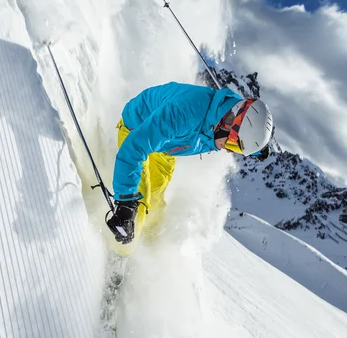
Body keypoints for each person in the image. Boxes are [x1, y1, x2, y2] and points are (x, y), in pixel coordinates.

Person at [106, 81, 273, 247]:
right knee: (139, 206)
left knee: (156, 208)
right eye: (231, 145)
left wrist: (259, 149)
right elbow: (135, 146)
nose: (228, 151)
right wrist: (125, 201)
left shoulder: (231, 113)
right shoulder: (184, 113)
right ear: (228, 123)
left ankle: (146, 252)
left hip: (165, 146)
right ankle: (117, 261)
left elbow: (249, 125)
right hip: (137, 130)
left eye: (236, 149)